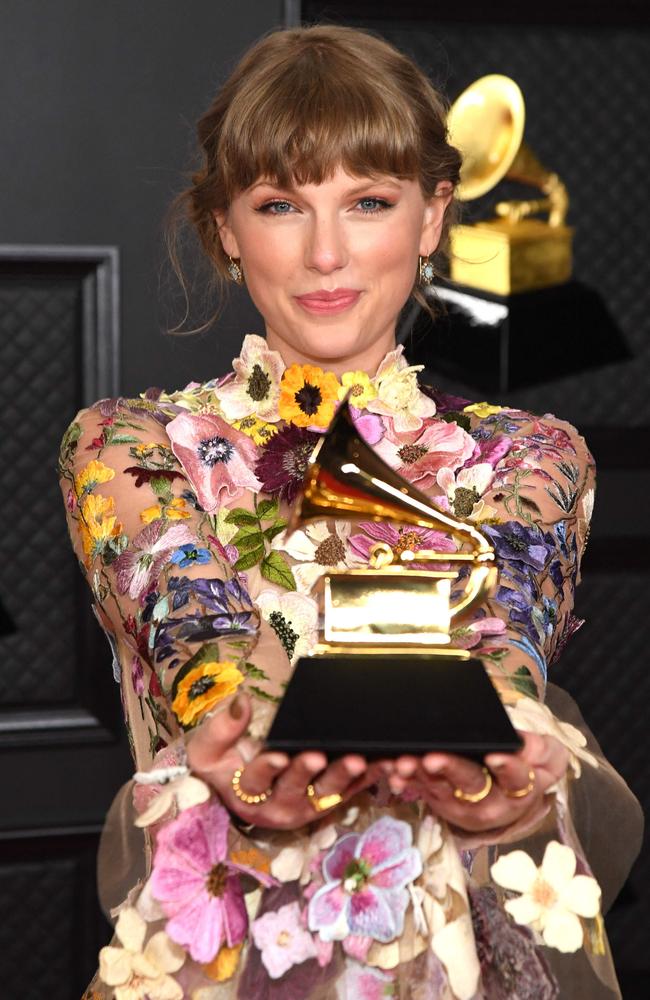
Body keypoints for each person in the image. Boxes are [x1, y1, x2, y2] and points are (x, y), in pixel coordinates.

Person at [59, 24, 642, 1000]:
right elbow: (206, 646)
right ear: (223, 229)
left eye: (367, 201)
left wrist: (506, 758)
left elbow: (502, 656)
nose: (326, 252)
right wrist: (245, 748)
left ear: (428, 217)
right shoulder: (129, 446)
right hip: (231, 951)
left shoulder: (533, 458)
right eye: (281, 204)